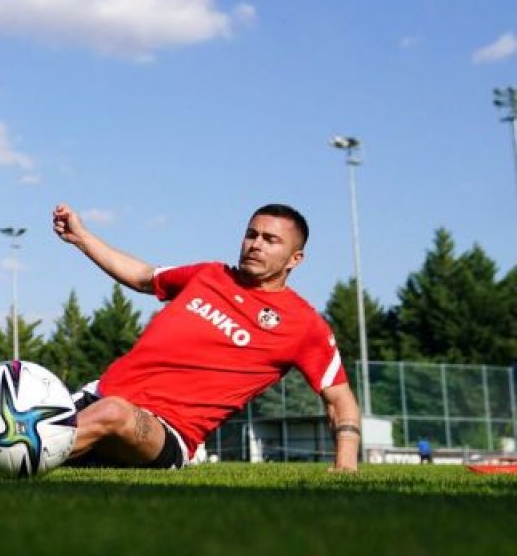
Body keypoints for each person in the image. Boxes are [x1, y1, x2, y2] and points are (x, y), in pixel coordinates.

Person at [48, 202, 362, 472]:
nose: (256, 244)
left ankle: (22, 453)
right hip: (98, 396)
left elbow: (340, 400)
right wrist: (81, 237)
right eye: (251, 234)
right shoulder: (209, 275)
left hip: (164, 433)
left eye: (271, 240)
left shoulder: (303, 324)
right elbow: (143, 277)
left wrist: (345, 463)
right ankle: (38, 450)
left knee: (113, 413)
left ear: (295, 259)